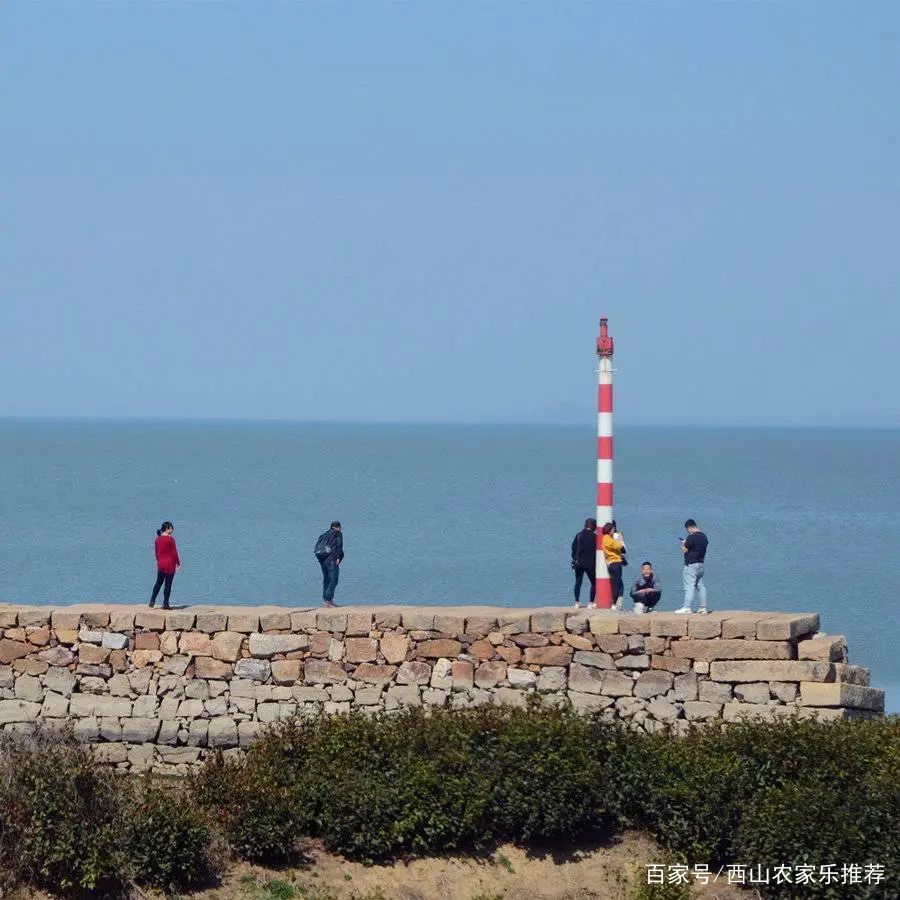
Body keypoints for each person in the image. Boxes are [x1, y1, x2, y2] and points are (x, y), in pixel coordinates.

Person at [676, 518, 709, 614]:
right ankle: (703, 608)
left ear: (689, 527)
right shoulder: (704, 537)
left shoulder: (691, 537)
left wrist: (683, 544)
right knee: (700, 586)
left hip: (691, 565)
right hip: (700, 564)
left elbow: (685, 550)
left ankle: (687, 607)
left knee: (689, 586)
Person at [149, 521, 180, 610]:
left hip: (161, 564)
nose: (172, 530)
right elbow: (174, 552)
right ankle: (165, 603)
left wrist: (159, 561)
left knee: (158, 583)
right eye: (171, 528)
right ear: (167, 529)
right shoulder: (171, 540)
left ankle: (152, 600)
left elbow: (156, 553)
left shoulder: (157, 539)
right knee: (168, 585)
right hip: (170, 564)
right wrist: (178, 563)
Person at [315, 521, 344, 607]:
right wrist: (338, 557)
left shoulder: (324, 535)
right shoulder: (337, 533)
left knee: (326, 579)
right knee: (333, 579)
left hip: (322, 560)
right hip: (332, 560)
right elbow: (339, 545)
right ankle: (328, 599)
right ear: (338, 527)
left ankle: (326, 600)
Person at [570, 518, 597, 608]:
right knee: (594, 583)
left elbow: (573, 548)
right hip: (590, 563)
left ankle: (577, 602)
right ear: (594, 526)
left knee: (578, 582)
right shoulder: (595, 537)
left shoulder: (579, 535)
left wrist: (575, 558)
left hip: (579, 563)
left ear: (585, 525)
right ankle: (591, 602)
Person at [600, 522, 626, 609]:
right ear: (610, 530)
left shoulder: (604, 539)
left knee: (617, 583)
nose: (613, 531)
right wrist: (621, 539)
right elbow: (621, 547)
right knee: (618, 584)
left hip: (610, 563)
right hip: (616, 563)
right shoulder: (608, 539)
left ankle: (617, 603)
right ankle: (615, 604)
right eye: (612, 529)